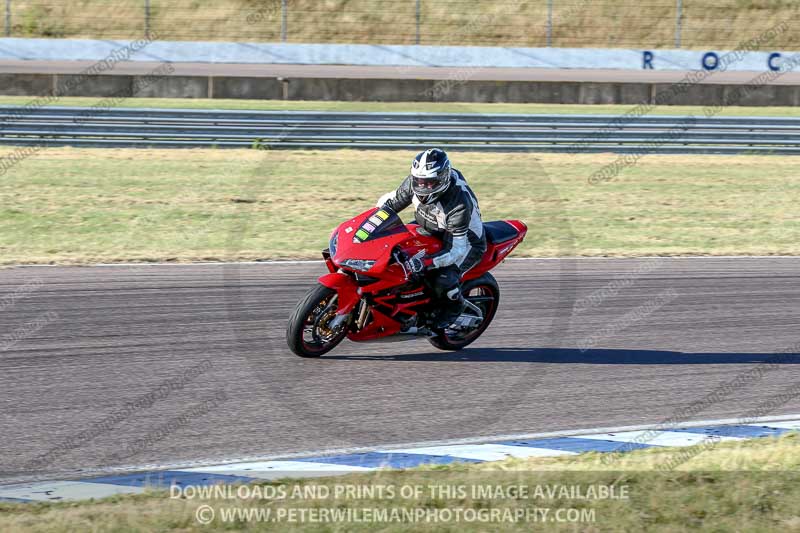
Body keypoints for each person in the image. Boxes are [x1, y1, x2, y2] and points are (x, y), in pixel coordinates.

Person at [377, 148, 487, 329]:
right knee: (396, 253)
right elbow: (390, 204)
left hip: (465, 242)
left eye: (429, 183)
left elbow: (456, 250)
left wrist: (427, 263)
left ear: (442, 179)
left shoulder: (458, 204)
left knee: (442, 278)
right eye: (419, 181)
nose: (422, 187)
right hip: (431, 227)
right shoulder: (414, 182)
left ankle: (453, 309)